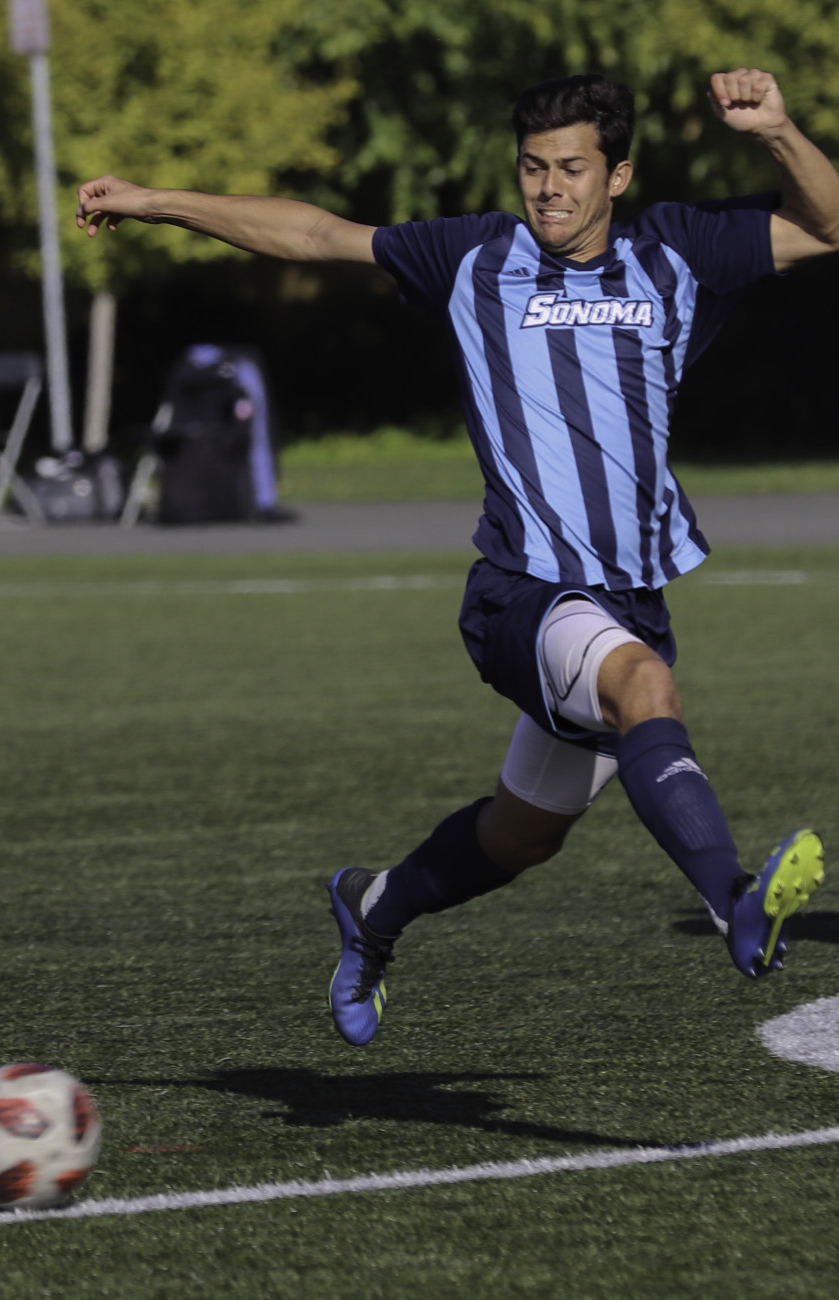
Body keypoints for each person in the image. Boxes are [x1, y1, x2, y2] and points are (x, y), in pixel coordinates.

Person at [76, 68, 837, 1045]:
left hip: (627, 600)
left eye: (571, 168)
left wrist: (775, 131)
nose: (547, 188)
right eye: (532, 167)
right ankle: (733, 900)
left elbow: (824, 226)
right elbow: (313, 234)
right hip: (522, 591)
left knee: (520, 835)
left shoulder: (679, 251)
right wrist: (154, 201)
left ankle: (372, 905)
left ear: (617, 175)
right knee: (644, 688)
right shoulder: (474, 255)